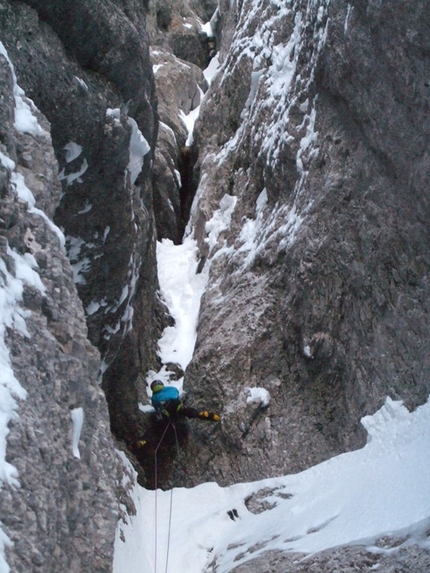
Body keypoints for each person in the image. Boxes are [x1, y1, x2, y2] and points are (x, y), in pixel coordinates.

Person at [150, 380, 220, 421]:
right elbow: (176, 394)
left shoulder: (154, 397)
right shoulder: (170, 388)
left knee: (158, 423)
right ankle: (199, 414)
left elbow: (156, 406)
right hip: (175, 403)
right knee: (185, 410)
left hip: (165, 408)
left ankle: (145, 439)